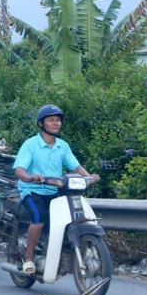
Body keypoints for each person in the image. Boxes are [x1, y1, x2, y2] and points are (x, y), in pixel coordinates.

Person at [13, 105, 100, 274]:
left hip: (55, 192)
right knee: (39, 219)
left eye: (58, 120)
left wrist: (90, 177)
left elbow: (76, 167)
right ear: (41, 124)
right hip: (32, 191)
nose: (55, 123)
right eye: (51, 120)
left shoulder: (62, 146)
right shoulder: (31, 144)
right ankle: (29, 257)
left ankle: (60, 252)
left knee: (74, 219)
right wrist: (30, 177)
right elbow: (19, 170)